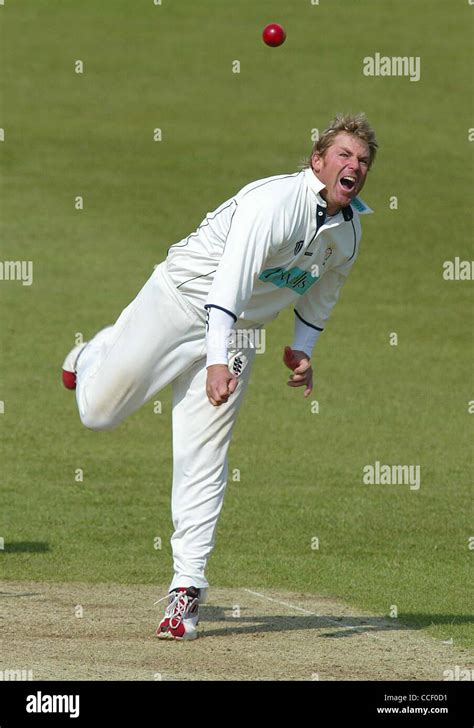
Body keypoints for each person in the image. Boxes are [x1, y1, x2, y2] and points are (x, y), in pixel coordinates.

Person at [61, 113, 378, 640]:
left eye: (363, 160)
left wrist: (302, 350)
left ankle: (186, 589)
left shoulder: (348, 232)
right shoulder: (273, 204)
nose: (354, 166)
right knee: (97, 413)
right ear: (317, 161)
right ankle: (91, 353)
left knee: (205, 453)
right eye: (343, 155)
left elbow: (322, 293)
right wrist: (213, 361)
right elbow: (228, 283)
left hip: (239, 334)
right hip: (181, 300)